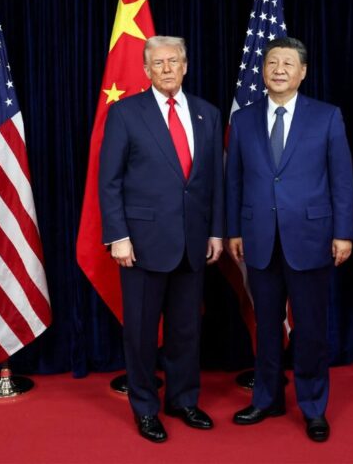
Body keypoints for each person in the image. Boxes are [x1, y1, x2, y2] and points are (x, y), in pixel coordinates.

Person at [225, 37, 353, 442]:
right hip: (258, 238)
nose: (278, 69)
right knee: (265, 327)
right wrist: (232, 229)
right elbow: (235, 181)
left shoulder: (327, 117)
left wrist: (344, 233)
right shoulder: (243, 120)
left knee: (312, 329)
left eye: (287, 63)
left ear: (302, 72)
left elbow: (342, 181)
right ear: (262, 71)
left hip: (313, 238)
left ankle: (314, 406)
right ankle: (267, 399)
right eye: (272, 62)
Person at [99, 35, 224, 443]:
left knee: (186, 329)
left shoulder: (208, 114)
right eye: (158, 63)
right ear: (146, 70)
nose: (167, 68)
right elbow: (110, 181)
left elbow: (214, 183)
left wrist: (217, 231)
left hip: (192, 241)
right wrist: (118, 236)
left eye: (174, 61)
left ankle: (184, 400)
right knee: (140, 331)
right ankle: (146, 408)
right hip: (141, 243)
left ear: (186, 66)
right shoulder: (125, 113)